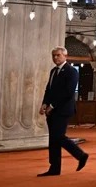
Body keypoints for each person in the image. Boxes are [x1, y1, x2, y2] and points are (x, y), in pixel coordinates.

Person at [37, 46, 88, 176]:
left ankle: (81, 155)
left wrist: (52, 106)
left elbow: (68, 92)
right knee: (53, 139)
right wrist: (44, 103)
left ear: (65, 56)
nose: (55, 57)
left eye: (58, 55)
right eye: (53, 55)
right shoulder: (53, 71)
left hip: (63, 110)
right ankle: (54, 168)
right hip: (51, 110)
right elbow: (49, 89)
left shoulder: (71, 71)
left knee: (58, 137)